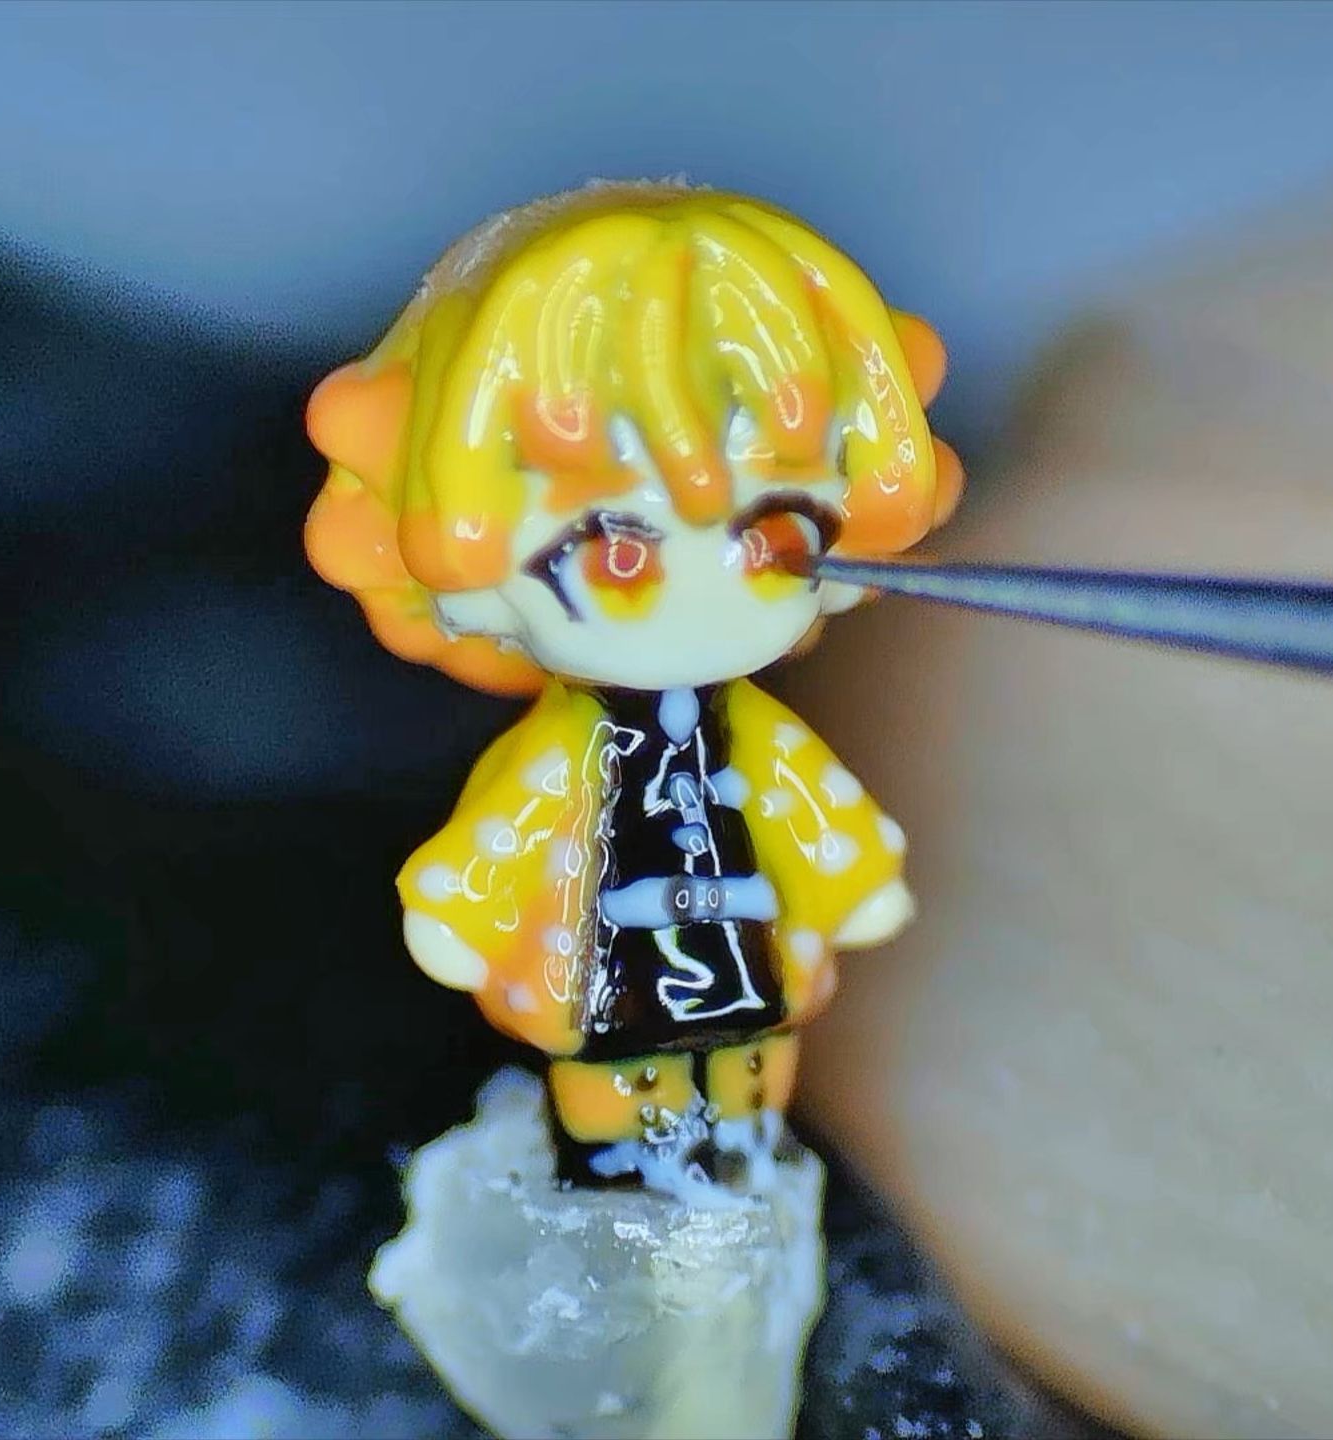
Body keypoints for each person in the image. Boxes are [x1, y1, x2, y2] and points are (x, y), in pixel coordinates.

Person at [303, 181, 958, 1188]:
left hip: (744, 945)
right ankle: (618, 1166)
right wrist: (465, 906)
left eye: (771, 537)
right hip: (606, 961)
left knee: (748, 1054)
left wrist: (856, 879)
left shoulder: (756, 735)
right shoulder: (569, 748)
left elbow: (808, 802)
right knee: (619, 1068)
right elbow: (513, 824)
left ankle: (740, 1160)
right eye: (616, 554)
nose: (700, 585)